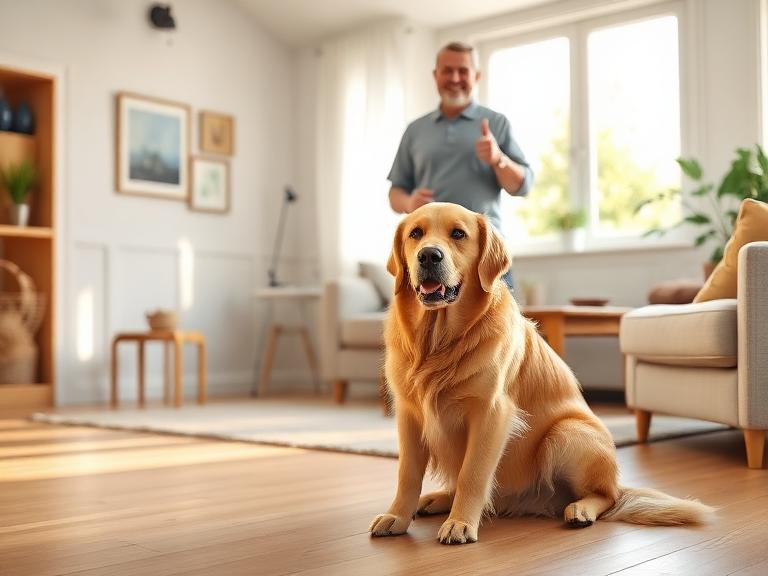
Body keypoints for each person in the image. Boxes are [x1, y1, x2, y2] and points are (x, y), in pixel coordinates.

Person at [387, 41, 533, 290]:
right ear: (436, 76)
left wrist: (499, 159)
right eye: (447, 70)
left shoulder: (496, 123)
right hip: (429, 256)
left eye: (463, 71)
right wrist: (409, 203)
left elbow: (522, 185)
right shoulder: (415, 131)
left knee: (501, 329)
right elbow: (395, 193)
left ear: (476, 76)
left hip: (483, 256)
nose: (455, 78)